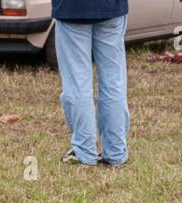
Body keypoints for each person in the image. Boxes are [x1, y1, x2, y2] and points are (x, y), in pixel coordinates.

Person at [51, 0, 130, 167]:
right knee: (114, 81)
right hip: (112, 9)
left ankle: (84, 152)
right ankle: (116, 153)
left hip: (71, 9)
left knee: (77, 81)